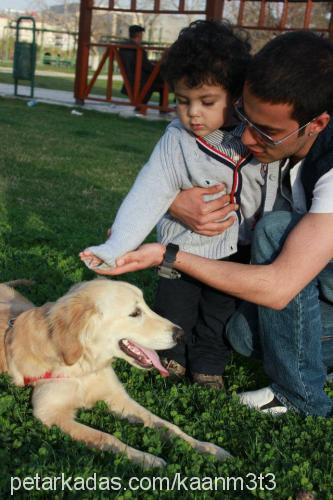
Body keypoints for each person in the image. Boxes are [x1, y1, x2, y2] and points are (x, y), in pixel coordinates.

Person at [90, 31, 333, 418]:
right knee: (237, 333)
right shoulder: (219, 137)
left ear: (316, 124)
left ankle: (301, 395)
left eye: (265, 132)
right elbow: (159, 181)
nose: (248, 140)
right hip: (303, 266)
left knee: (271, 234)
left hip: (315, 275)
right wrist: (169, 203)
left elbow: (279, 287)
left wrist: (168, 253)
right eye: (243, 116)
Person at [80, 21, 265, 389]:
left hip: (234, 256)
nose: (193, 113)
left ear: (235, 95)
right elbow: (148, 192)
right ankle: (171, 359)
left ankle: (209, 366)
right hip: (178, 250)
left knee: (218, 314)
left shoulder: (258, 138)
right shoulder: (176, 139)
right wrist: (117, 247)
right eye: (183, 101)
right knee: (174, 309)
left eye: (206, 102)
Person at [119, 25, 164, 111]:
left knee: (161, 80)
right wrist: (157, 67)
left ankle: (143, 106)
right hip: (140, 79)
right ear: (139, 34)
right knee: (164, 81)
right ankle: (162, 108)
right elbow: (146, 66)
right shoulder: (138, 48)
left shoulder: (123, 47)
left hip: (131, 77)